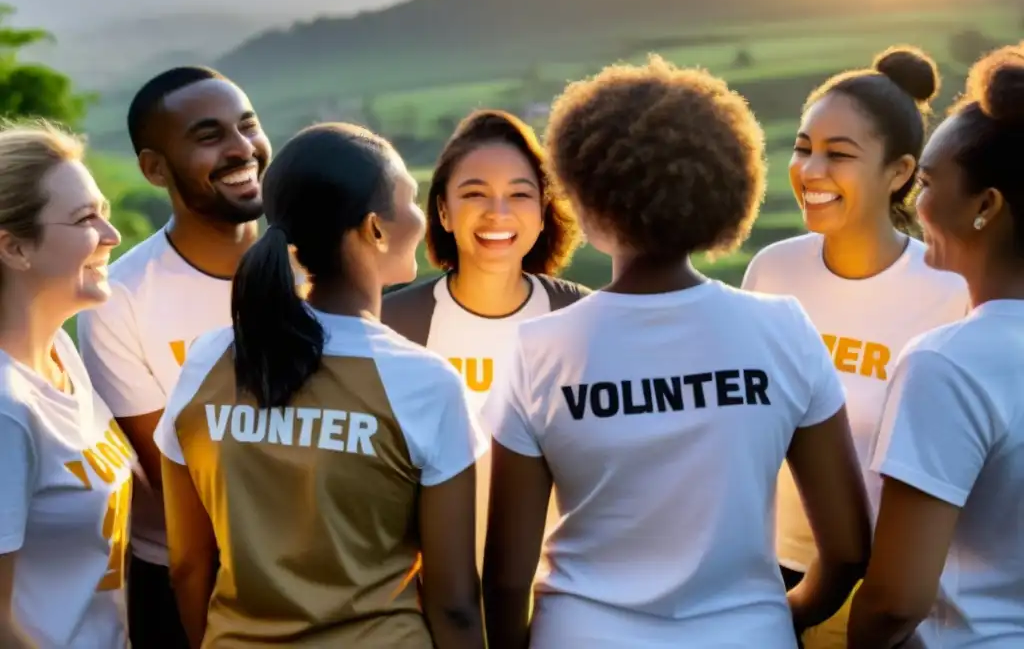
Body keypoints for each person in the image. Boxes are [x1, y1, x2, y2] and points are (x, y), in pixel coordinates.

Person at [482, 57, 872, 649]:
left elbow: (507, 578)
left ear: (587, 197)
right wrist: (778, 615)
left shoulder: (542, 348)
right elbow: (846, 549)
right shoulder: (783, 329)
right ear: (723, 188)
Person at [153, 123, 488, 647]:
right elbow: (455, 603)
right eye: (413, 199)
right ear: (375, 229)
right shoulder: (422, 382)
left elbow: (189, 567)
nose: (422, 217)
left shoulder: (207, 361)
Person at [741, 47, 969, 647]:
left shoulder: (949, 291)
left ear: (898, 173)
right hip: (768, 578)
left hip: (888, 591)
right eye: (802, 146)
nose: (811, 170)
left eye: (838, 155)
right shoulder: (772, 270)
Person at [77, 65, 272, 648]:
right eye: (209, 136)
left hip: (329, 570)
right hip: (184, 579)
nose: (241, 149)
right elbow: (170, 475)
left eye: (247, 125)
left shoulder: (314, 268)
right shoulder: (122, 299)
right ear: (154, 168)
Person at [849, 45, 1024, 648]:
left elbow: (896, 601)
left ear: (986, 206)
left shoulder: (949, 363)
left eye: (925, 181)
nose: (914, 203)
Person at [381, 108, 588, 567]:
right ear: (443, 211)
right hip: (426, 596)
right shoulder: (392, 325)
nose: (498, 213)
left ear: (542, 211)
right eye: (475, 194)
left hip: (558, 594)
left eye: (519, 194)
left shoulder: (583, 319)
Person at [0, 123, 134, 647]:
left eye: (103, 210)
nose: (111, 234)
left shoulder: (61, 351)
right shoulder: (8, 410)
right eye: (85, 219)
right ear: (14, 248)